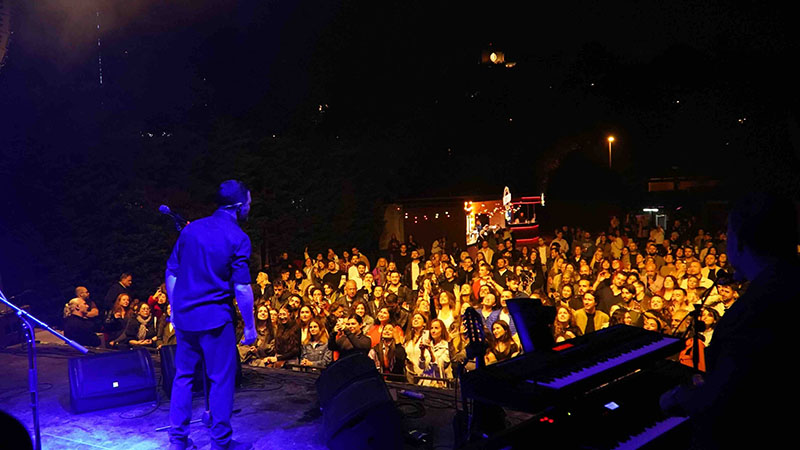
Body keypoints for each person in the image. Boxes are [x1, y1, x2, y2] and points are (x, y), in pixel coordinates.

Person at [660, 193, 799, 449]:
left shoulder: (754, 310)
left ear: (740, 241)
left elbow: (729, 399)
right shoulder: (787, 283)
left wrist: (682, 397)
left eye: (728, 234)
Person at [165, 180, 256, 450]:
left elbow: (172, 273)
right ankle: (221, 443)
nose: (250, 207)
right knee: (220, 380)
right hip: (215, 320)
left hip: (185, 319)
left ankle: (178, 441)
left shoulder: (191, 230)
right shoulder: (238, 237)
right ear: (238, 206)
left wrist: (175, 309)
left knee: (183, 377)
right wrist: (250, 327)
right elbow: (242, 287)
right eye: (249, 203)